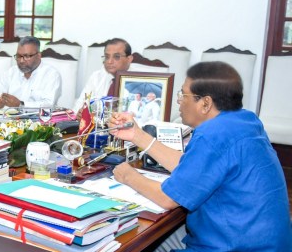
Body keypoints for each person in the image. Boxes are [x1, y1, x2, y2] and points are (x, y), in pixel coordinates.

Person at [109, 61, 290, 251]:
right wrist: (137, 136)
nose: (179, 101)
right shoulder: (245, 120)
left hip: (233, 245)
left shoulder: (213, 134)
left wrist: (127, 175)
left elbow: (167, 198)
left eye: (183, 95)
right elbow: (192, 167)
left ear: (205, 103)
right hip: (265, 242)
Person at [0, 36, 62, 109]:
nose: (21, 61)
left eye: (27, 56)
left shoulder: (51, 75)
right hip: (9, 120)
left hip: (40, 120)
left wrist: (21, 104)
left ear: (39, 56)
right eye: (19, 56)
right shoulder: (11, 72)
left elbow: (48, 104)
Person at [73, 38, 134, 112]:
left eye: (116, 57)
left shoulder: (137, 80)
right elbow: (79, 106)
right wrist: (80, 113)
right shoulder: (96, 77)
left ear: (129, 59)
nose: (109, 61)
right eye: (107, 57)